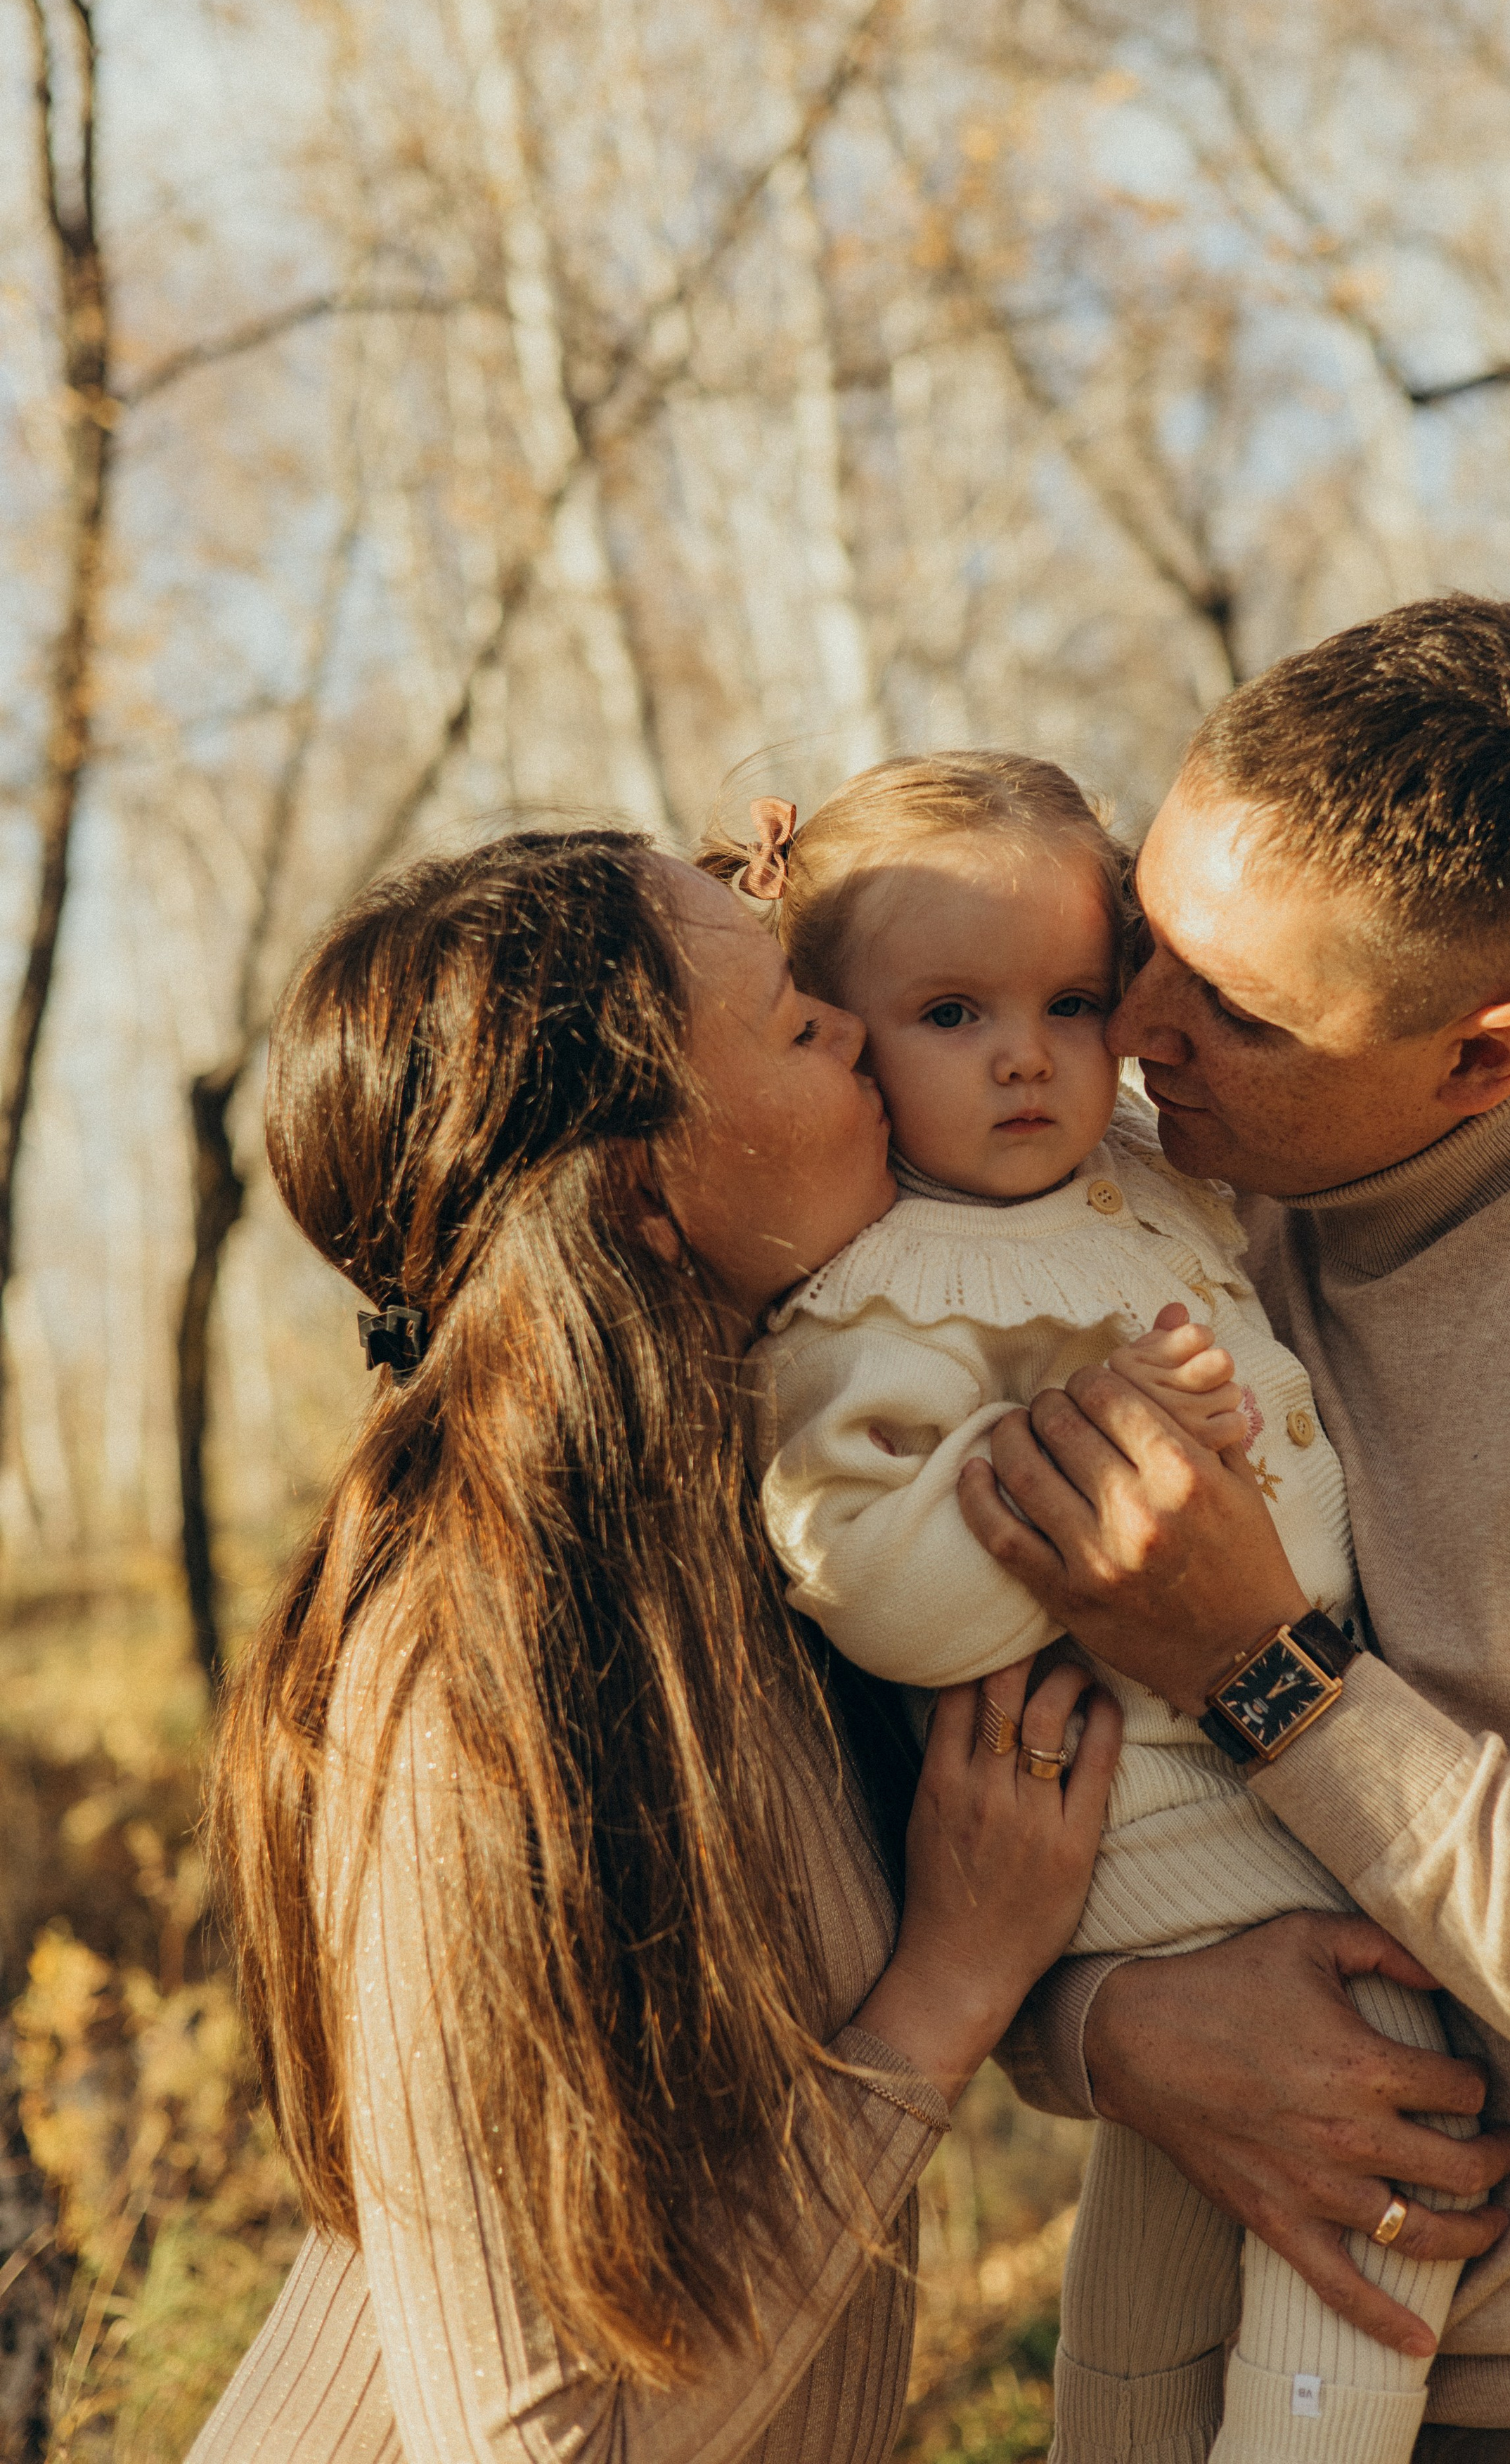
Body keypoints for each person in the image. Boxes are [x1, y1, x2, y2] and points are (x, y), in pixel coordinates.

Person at [959, 599, 1510, 2460]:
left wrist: (1274, 1680)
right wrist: (1111, 2031)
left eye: (1242, 1013)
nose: (1142, 1029)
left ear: (1487, 1057)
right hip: (1218, 2389)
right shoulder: (1120, 1188)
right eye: (1143, 932)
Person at [186, 829, 1124, 2464]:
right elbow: (533, 2448)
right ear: (642, 1197)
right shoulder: (469, 1687)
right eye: (794, 1025)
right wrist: (945, 1992)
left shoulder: (752, 1528)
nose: (854, 1030)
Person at [711, 749, 1480, 2463]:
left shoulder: (1147, 1180)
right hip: (1149, 1818)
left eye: (1071, 1000)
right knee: (1383, 2134)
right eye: (949, 1012)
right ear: (834, 1038)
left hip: (1269, 1784)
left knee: (1183, 2190)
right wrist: (1091, 1460)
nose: (1026, 1056)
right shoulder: (889, 1285)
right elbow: (866, 1579)